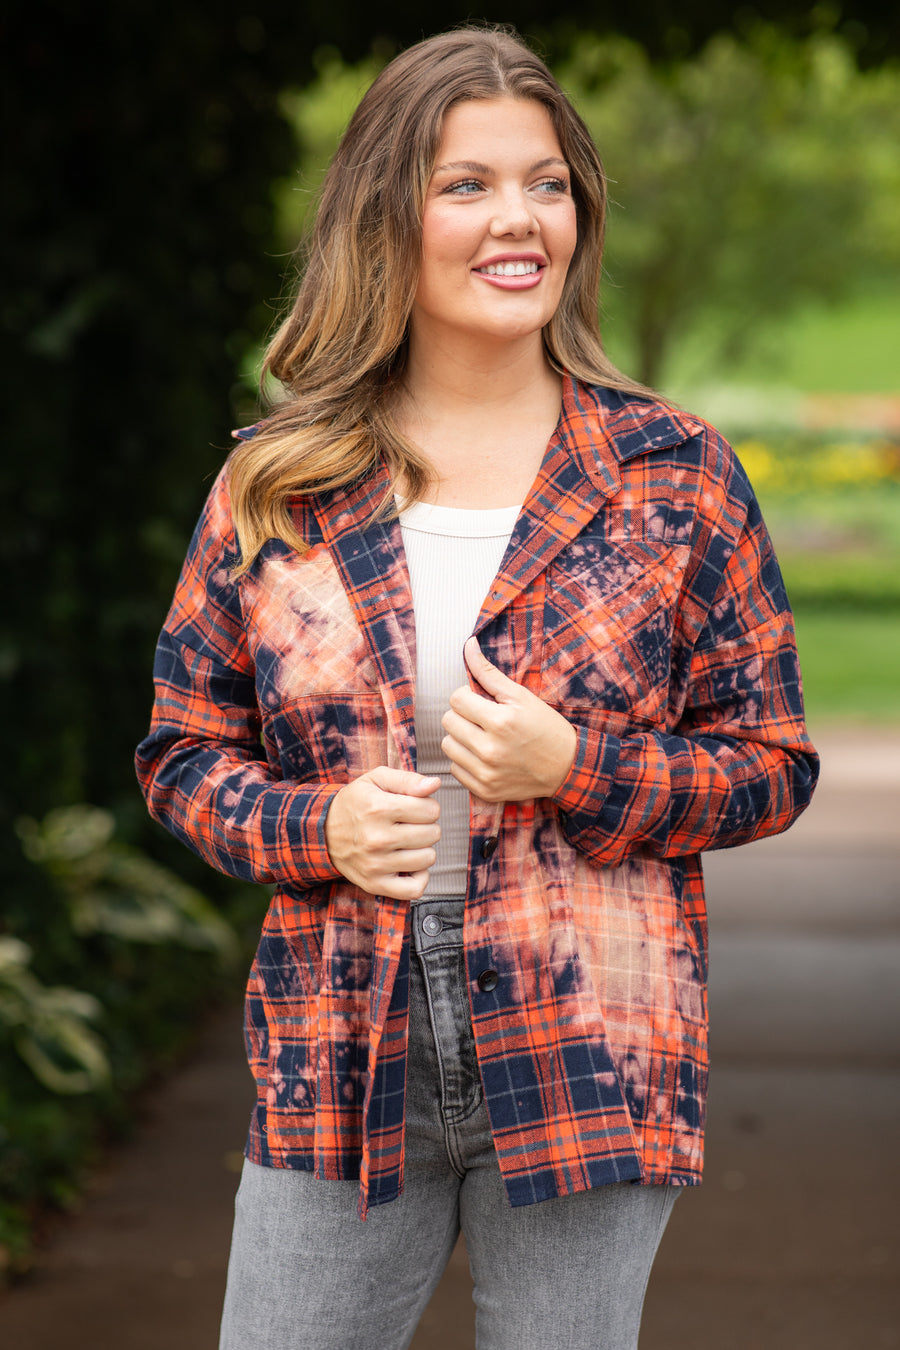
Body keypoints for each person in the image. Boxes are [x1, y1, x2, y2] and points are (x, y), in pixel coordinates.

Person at [136, 24, 818, 1350]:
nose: (520, 218)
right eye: (469, 184)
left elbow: (771, 761)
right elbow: (182, 750)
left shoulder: (672, 475)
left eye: (547, 183)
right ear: (387, 216)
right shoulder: (281, 482)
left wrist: (581, 767)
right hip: (341, 1042)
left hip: (589, 1038)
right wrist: (318, 827)